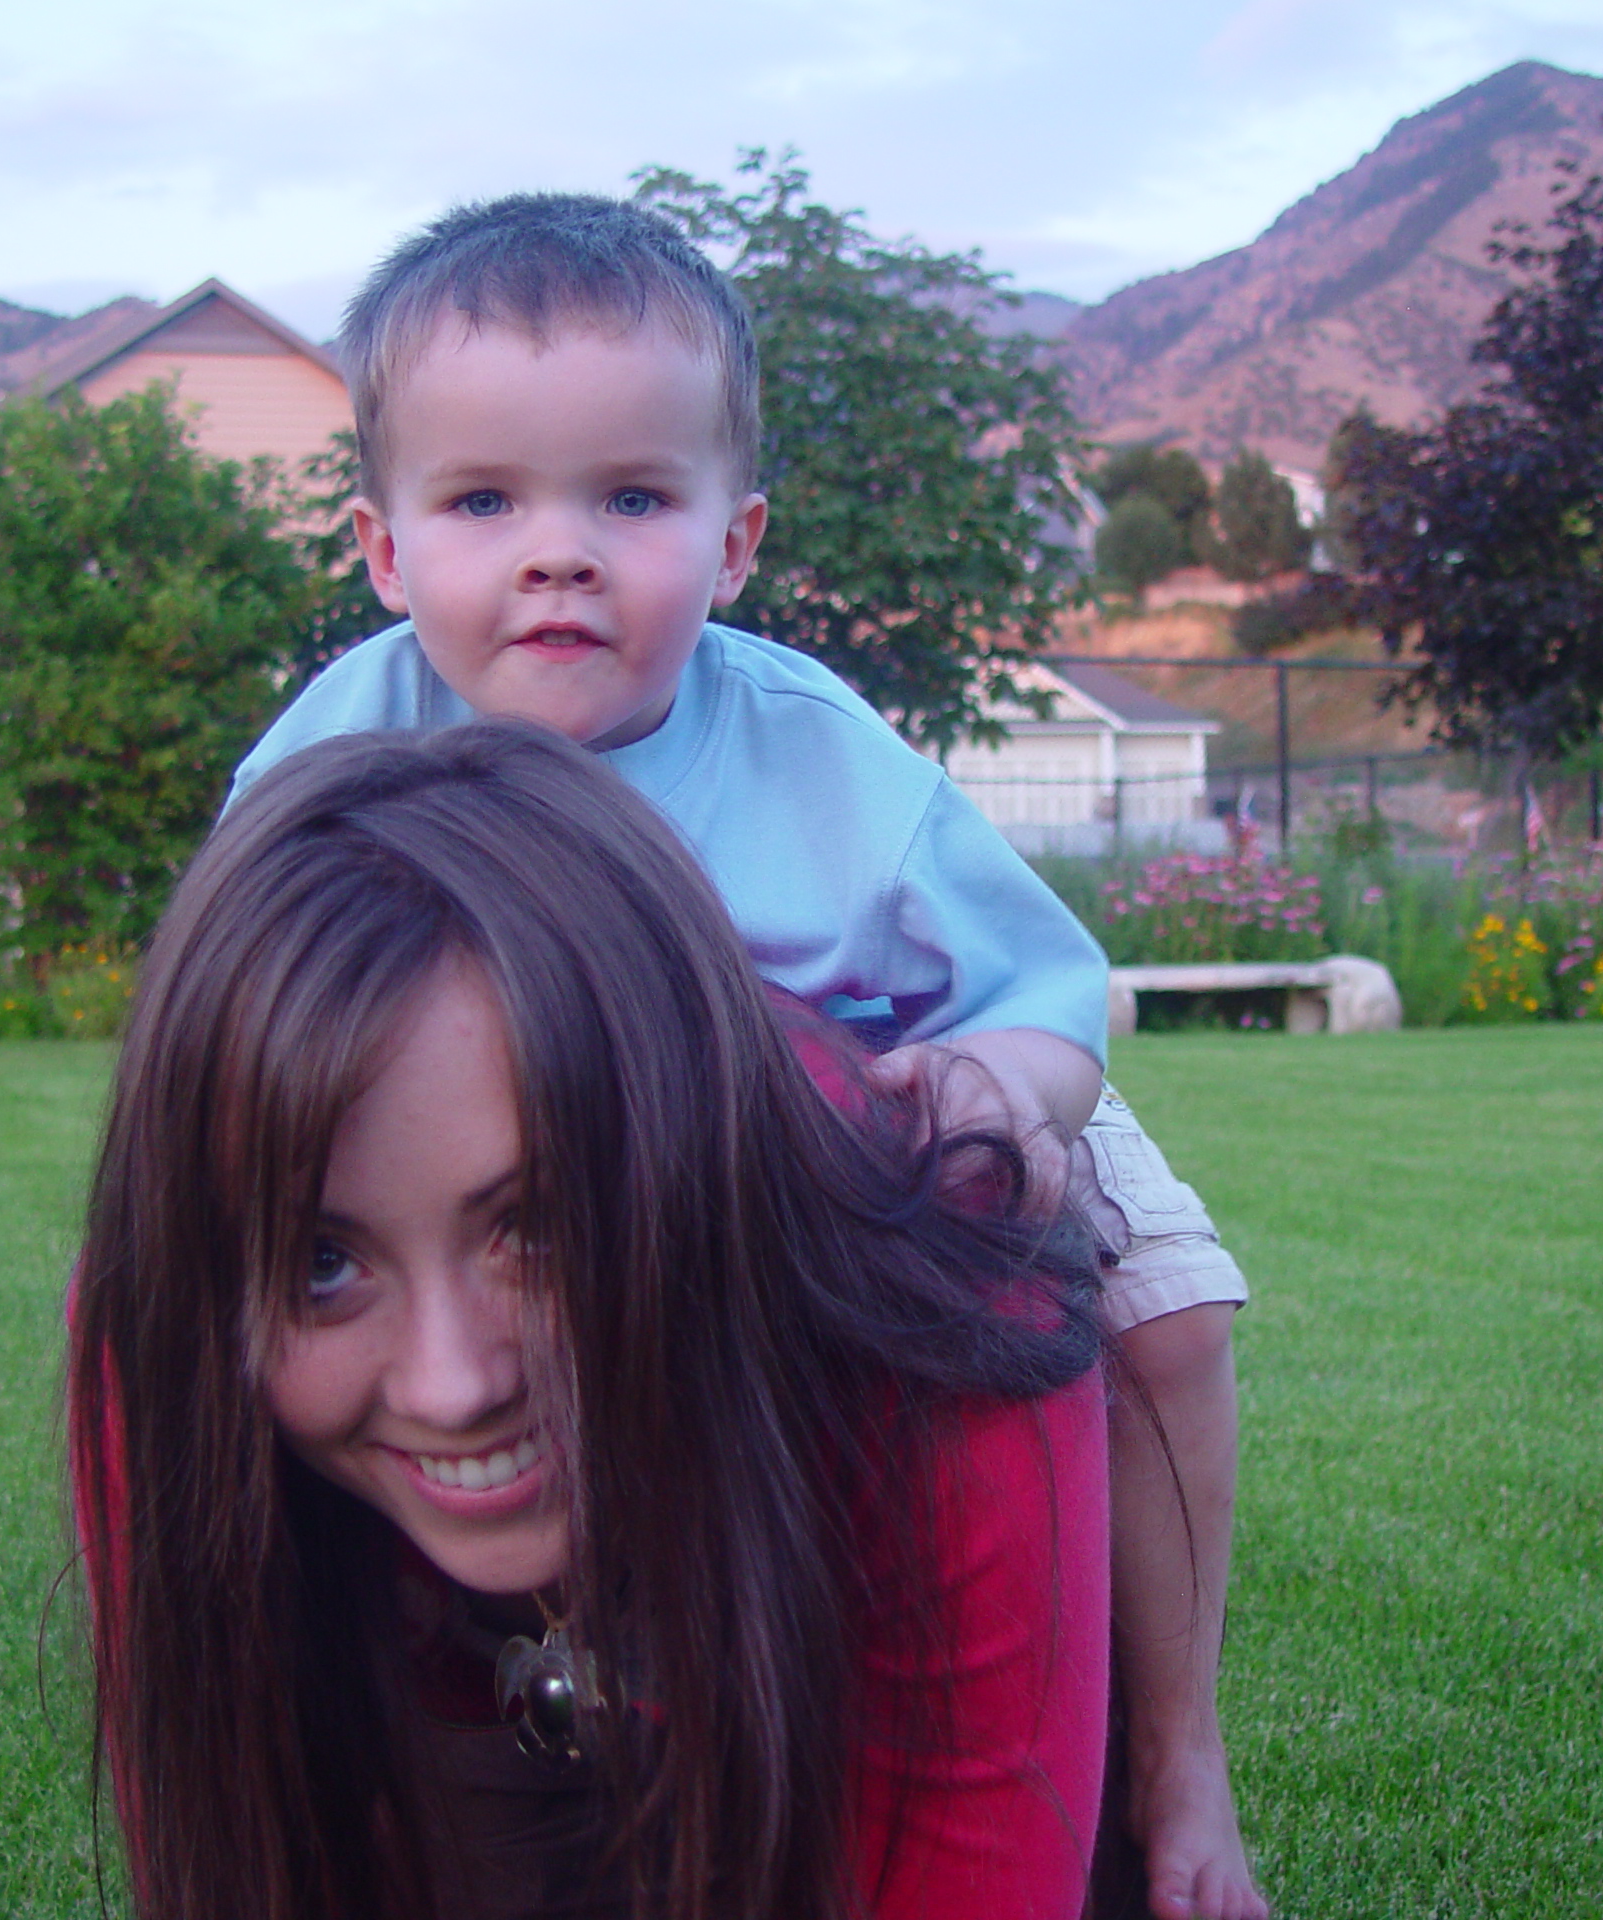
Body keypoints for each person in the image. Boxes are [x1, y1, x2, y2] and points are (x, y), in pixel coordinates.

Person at [230, 192, 1266, 1919]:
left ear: (735, 542)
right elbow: (249, 1003)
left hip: (873, 1106)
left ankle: (1177, 1765)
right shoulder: (335, 752)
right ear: (386, 550)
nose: (556, 550)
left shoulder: (818, 759)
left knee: (1163, 1314)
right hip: (513, 1173)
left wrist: (1002, 1095)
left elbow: (1043, 993)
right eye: (484, 500)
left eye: (630, 497)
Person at [68, 724, 1112, 1920]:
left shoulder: (937, 1293)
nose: (451, 1386)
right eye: (319, 1264)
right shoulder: (167, 1323)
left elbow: (967, 1870)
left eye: (542, 1227)